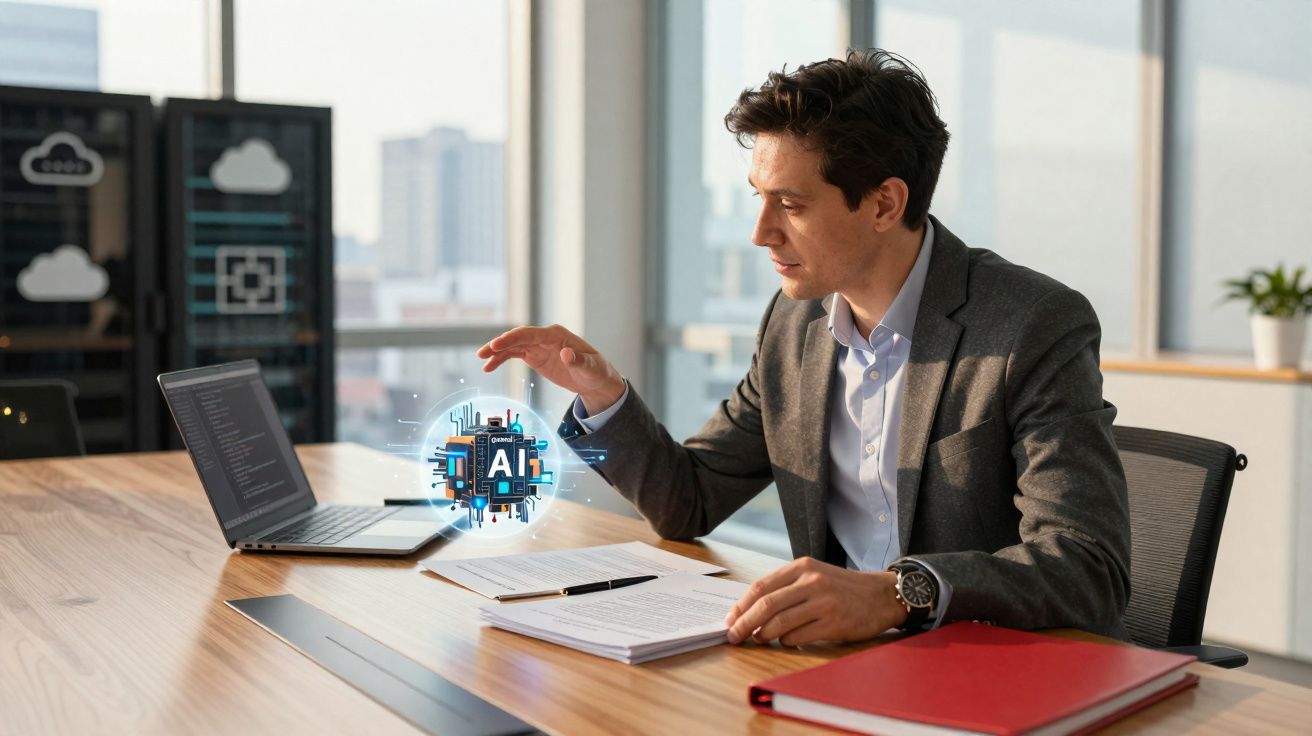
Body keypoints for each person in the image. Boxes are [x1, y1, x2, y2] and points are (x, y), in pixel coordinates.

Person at [477, 50, 1130, 646]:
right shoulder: (794, 328)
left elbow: (1087, 565)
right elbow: (690, 502)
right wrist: (603, 394)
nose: (760, 233)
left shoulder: (1032, 326)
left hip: (978, 668)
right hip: (829, 662)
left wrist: (899, 593)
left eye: (789, 203)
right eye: (759, 199)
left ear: (883, 203)